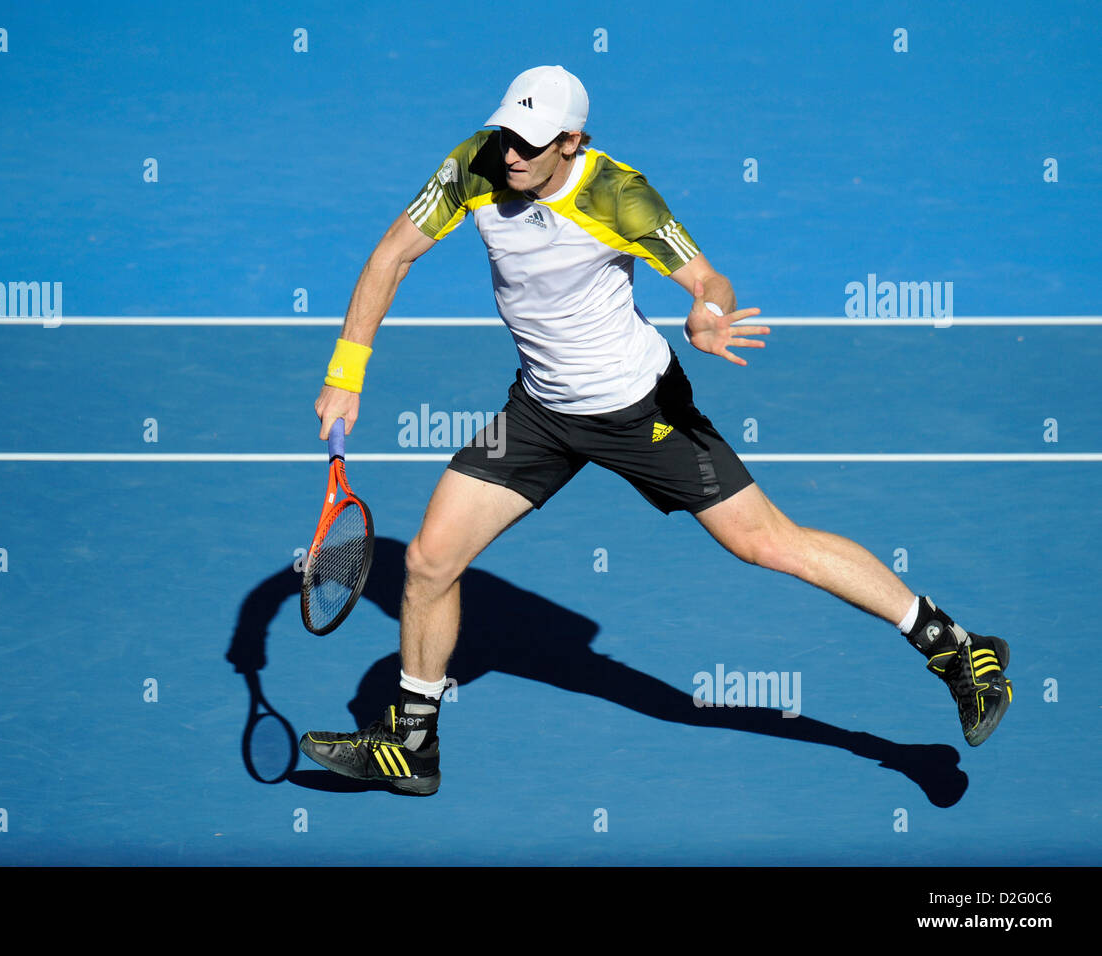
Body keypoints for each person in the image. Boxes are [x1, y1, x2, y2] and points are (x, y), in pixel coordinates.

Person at [300, 65, 1011, 795]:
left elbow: (708, 280)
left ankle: (955, 646)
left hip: (642, 410)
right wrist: (346, 371)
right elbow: (391, 256)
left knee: (766, 543)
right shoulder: (474, 163)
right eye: (508, 133)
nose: (510, 153)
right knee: (426, 561)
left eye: (532, 142)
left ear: (573, 142)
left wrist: (707, 312)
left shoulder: (618, 194)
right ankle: (413, 745)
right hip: (542, 412)